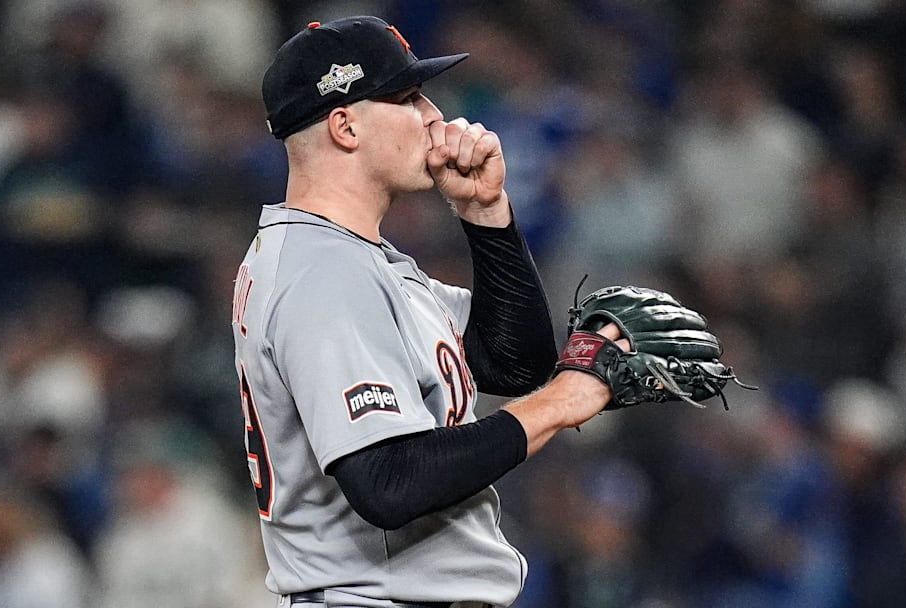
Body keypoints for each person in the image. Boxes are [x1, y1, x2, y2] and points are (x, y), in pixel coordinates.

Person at [231, 16, 625, 608]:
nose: (435, 115)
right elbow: (387, 482)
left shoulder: (355, 259)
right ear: (345, 126)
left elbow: (511, 362)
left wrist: (485, 213)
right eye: (408, 97)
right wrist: (564, 402)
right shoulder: (323, 273)